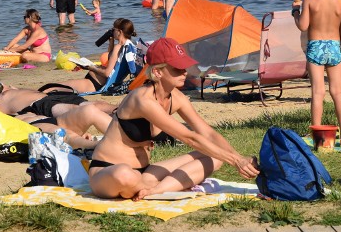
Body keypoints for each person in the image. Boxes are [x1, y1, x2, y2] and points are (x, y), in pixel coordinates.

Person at [87, 37, 259, 200]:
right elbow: (189, 138)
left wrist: (239, 158)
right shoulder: (142, 99)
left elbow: (207, 132)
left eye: (184, 67)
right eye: (177, 68)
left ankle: (154, 191)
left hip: (144, 173)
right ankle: (155, 186)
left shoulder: (176, 97)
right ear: (157, 72)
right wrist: (236, 161)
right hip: (108, 171)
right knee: (124, 174)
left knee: (214, 156)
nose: (184, 72)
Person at [293, 0, 341, 143]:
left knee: (318, 91)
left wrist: (295, 12)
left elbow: (303, 26)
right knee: (337, 91)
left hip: (316, 46)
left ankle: (316, 133)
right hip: (333, 46)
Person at [0, 103, 111, 150]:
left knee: (89, 110)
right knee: (61, 134)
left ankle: (124, 134)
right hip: (34, 131)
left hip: (57, 120)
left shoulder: (5, 116)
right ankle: (98, 147)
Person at [59, 18, 140, 94]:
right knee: (58, 87)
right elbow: (112, 60)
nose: (112, 31)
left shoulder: (118, 47)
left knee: (55, 87)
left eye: (113, 29)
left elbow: (107, 73)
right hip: (97, 81)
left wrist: (92, 68)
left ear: (120, 32)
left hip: (96, 83)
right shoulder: (128, 46)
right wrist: (111, 42)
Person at [0, 79, 117, 117]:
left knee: (95, 103)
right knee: (79, 109)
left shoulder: (9, 90)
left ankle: (120, 111)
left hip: (50, 96)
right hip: (38, 106)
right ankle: (117, 120)